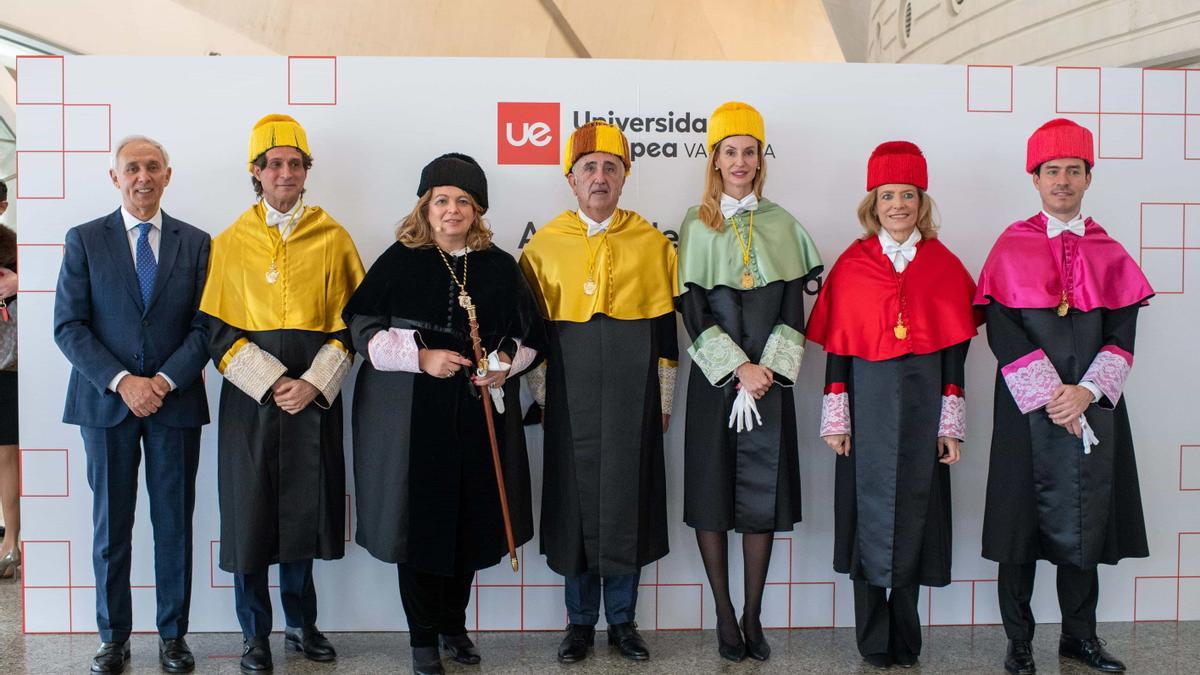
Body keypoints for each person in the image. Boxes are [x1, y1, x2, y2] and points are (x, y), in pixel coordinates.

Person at [344, 153, 544, 675]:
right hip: (412, 418)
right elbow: (361, 328)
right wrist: (421, 357)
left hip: (478, 415)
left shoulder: (500, 265)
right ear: (425, 208)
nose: (451, 210)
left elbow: (530, 337)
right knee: (420, 526)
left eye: (462, 202)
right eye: (441, 201)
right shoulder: (400, 259)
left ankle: (454, 624)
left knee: (469, 523)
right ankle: (422, 638)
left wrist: (503, 364)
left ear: (477, 210)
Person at [975, 119, 1153, 675]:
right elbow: (1000, 331)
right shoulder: (1010, 245)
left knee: (1086, 521)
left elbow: (1122, 336)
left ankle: (1080, 637)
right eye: (1052, 171)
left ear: (1088, 178)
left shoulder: (1111, 250)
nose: (1062, 180)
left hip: (1091, 409)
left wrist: (1086, 392)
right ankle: (1019, 642)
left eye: (1073, 171)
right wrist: (1052, 395)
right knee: (1017, 530)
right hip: (1027, 408)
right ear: (1035, 178)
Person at [199, 114, 364, 672]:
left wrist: (314, 382)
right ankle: (255, 635)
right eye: (275, 164)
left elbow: (352, 327)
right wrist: (272, 383)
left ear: (305, 171)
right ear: (257, 171)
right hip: (252, 404)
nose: (286, 172)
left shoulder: (334, 236)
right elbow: (217, 331)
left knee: (303, 513)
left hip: (312, 401)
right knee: (250, 518)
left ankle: (301, 624)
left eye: (296, 164)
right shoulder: (230, 241)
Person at [807, 141, 979, 669]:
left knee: (918, 516)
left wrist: (952, 422)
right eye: (888, 196)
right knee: (866, 514)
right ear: (873, 204)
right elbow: (838, 346)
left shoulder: (945, 265)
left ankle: (906, 634)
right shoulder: (853, 264)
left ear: (921, 203)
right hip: (866, 407)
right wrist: (836, 416)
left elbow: (956, 354)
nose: (898, 205)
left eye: (908, 195)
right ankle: (871, 637)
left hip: (927, 408)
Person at [519, 120, 678, 663]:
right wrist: (544, 398)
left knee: (627, 501)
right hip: (569, 397)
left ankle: (625, 623)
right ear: (571, 178)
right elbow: (532, 337)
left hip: (634, 400)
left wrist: (662, 400)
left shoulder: (653, 244)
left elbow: (664, 335)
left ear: (625, 176)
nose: (600, 176)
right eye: (589, 167)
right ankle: (579, 622)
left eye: (611, 167)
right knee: (574, 503)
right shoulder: (542, 248)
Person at [53, 136, 211, 674]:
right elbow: (68, 327)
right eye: (132, 169)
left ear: (168, 175)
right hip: (105, 405)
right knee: (110, 526)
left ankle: (173, 637)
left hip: (175, 402)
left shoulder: (197, 243)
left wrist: (163, 381)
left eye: (152, 167)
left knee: (174, 525)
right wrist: (123, 381)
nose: (142, 177)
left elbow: (206, 326)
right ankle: (113, 637)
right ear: (114, 177)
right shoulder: (83, 240)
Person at [675, 102, 822, 662]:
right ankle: (723, 614)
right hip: (717, 385)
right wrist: (737, 369)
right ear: (714, 161)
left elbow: (793, 309)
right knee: (712, 494)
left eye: (749, 151)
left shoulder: (784, 223)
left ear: (761, 161)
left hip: (769, 386)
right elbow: (692, 311)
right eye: (729, 152)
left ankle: (754, 613)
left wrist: (765, 375)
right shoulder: (694, 223)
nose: (740, 161)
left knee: (763, 498)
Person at [0, 182, 20, 583]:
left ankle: (11, 543)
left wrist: (18, 283)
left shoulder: (15, 247)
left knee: (5, 455)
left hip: (6, 364)